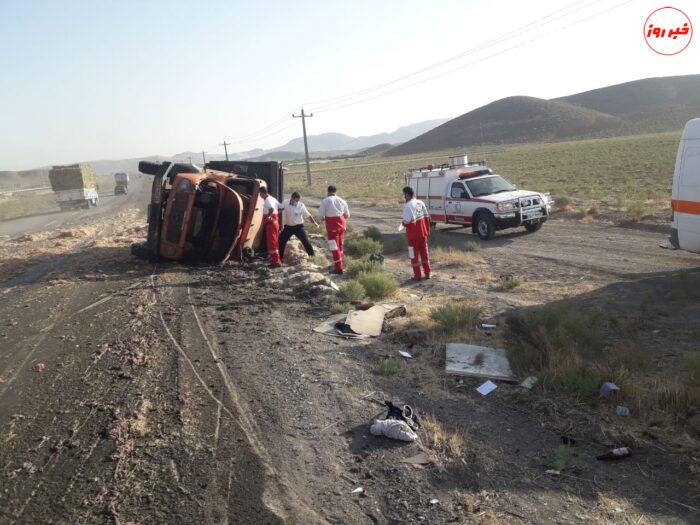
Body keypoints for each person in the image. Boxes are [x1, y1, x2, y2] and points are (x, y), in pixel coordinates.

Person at [319, 185, 350, 274]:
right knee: (340, 244)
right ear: (335, 192)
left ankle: (338, 268)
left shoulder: (325, 201)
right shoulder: (342, 200)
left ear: (328, 192)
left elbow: (321, 216)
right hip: (342, 225)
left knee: (334, 246)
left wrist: (323, 220)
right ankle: (340, 264)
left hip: (332, 226)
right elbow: (347, 215)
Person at [402, 186, 431, 280]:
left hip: (413, 236)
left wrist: (402, 223)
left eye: (404, 195)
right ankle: (427, 273)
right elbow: (427, 217)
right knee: (424, 254)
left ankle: (417, 276)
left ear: (407, 195)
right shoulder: (420, 202)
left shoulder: (407, 206)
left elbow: (406, 222)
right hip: (423, 234)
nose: (404, 197)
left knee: (414, 256)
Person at [278, 191, 319, 260]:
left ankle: (312, 257)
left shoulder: (301, 205)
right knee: (281, 241)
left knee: (305, 242)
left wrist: (314, 223)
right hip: (288, 227)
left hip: (298, 227)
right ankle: (279, 259)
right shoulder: (285, 203)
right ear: (292, 198)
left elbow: (308, 215)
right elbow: (279, 210)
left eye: (298, 200)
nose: (297, 202)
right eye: (296, 200)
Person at [259, 186, 282, 267]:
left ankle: (276, 262)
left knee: (272, 243)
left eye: (260, 194)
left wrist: (269, 217)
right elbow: (281, 207)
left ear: (262, 193)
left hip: (270, 224)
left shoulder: (267, 201)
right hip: (275, 223)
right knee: (274, 242)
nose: (259, 196)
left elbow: (271, 209)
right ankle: (275, 260)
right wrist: (275, 216)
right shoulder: (272, 198)